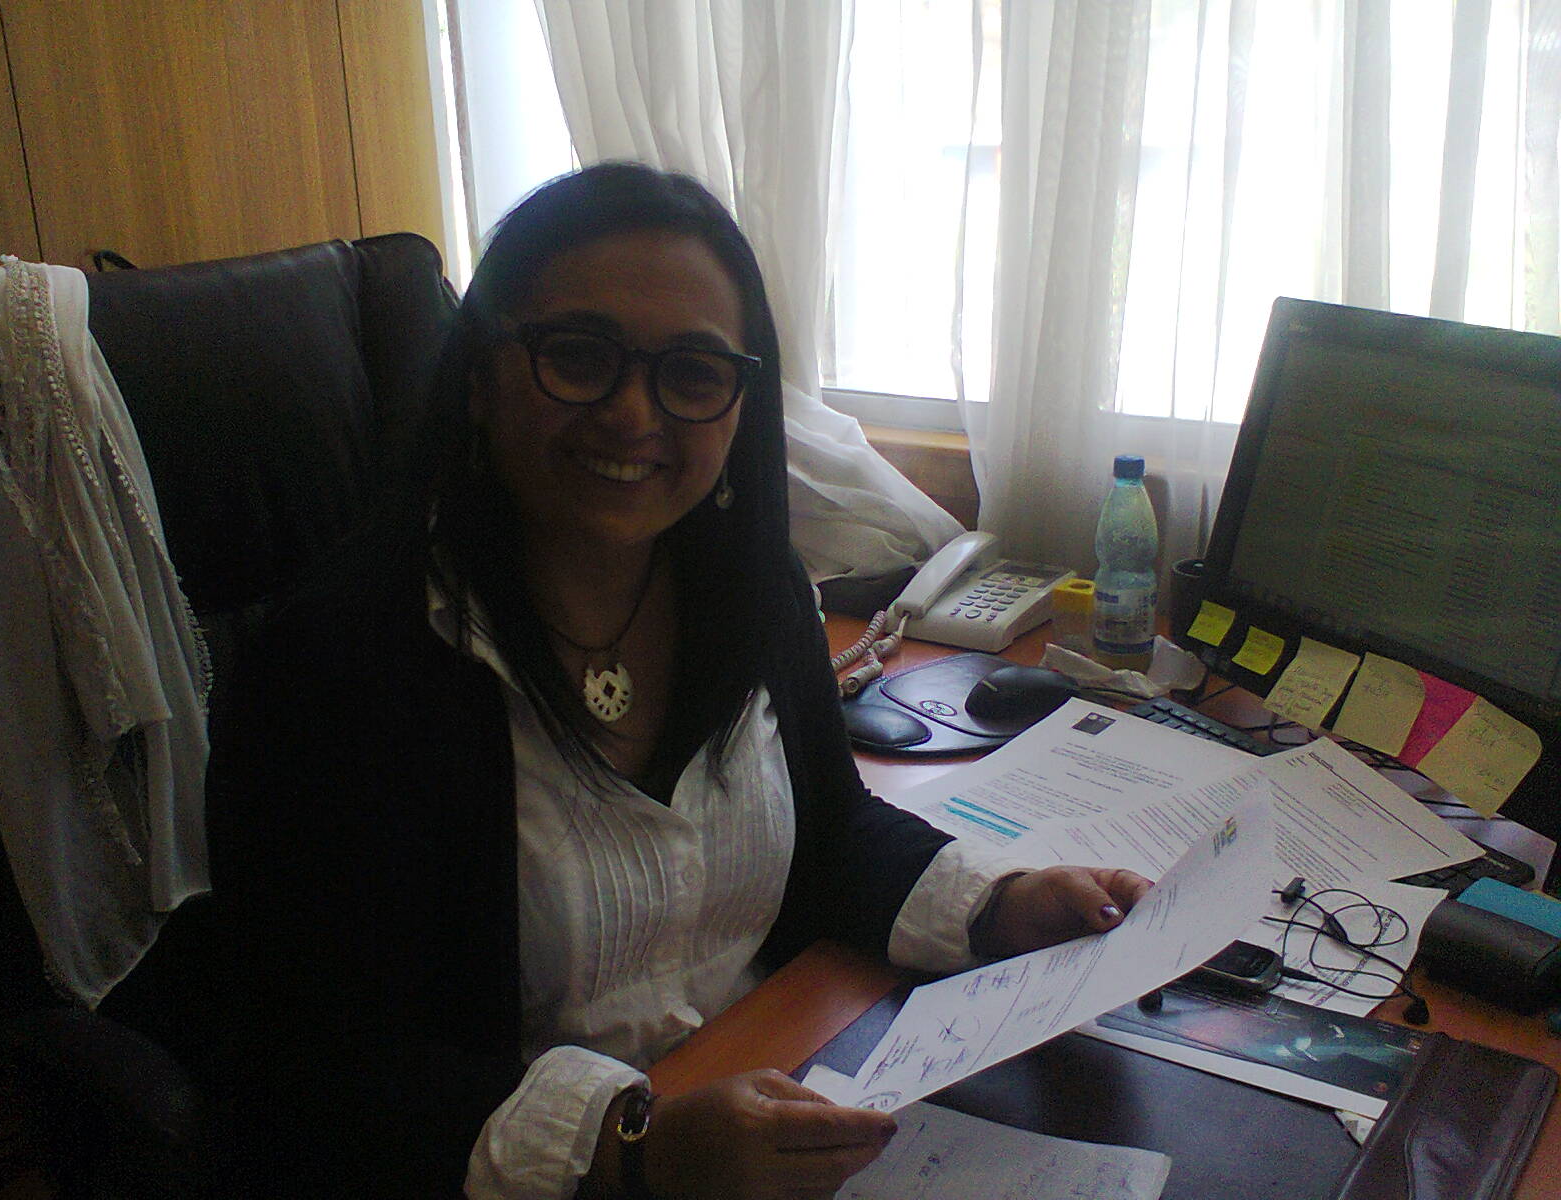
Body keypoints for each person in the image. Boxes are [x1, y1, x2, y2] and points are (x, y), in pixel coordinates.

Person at [205, 162, 1149, 1200]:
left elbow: (829, 835)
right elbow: (318, 1075)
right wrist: (632, 1146)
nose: (631, 412)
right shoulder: (341, 667)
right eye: (578, 356)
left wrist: (1002, 905)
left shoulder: (756, 591)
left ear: (740, 403)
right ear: (479, 376)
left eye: (692, 373)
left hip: (768, 1092)